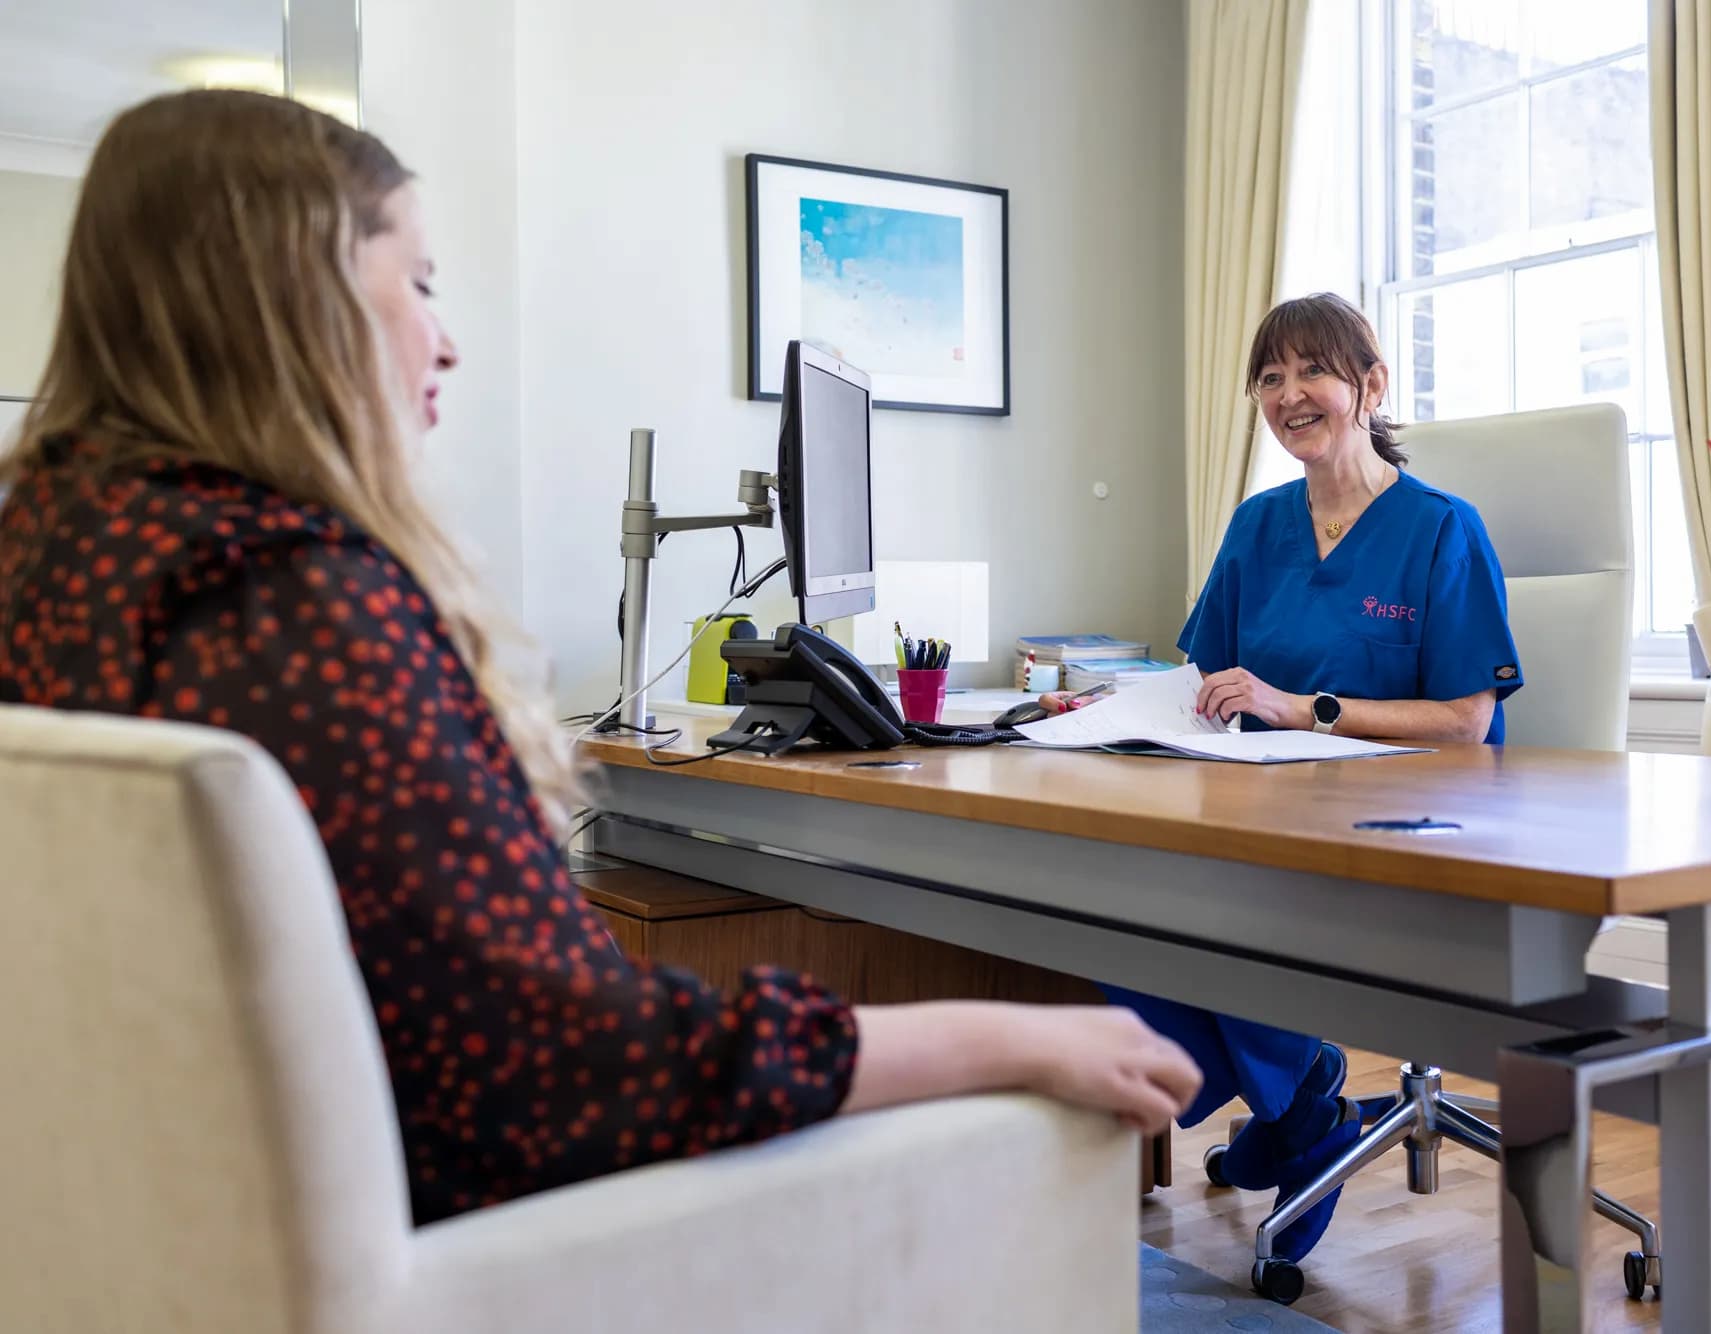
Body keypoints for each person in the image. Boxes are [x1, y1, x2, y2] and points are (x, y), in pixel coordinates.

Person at [0, 89, 1200, 1226]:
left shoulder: (48, 556)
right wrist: (1007, 1038)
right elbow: (567, 1063)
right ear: (290, 293)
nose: (448, 340)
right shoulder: (291, 599)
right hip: (480, 1235)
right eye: (417, 281)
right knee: (1062, 1069)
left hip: (174, 1214)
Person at [1041, 291, 1522, 1264]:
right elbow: (1198, 676)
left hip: (1405, 825)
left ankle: (1299, 1104)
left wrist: (1307, 707)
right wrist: (1094, 711)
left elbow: (1468, 719)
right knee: (1085, 896)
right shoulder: (1258, 526)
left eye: (1311, 371)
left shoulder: (1440, 528)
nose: (1289, 393)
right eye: (1270, 376)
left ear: (1369, 384)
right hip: (1257, 804)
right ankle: (1303, 1098)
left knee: (1229, 903)